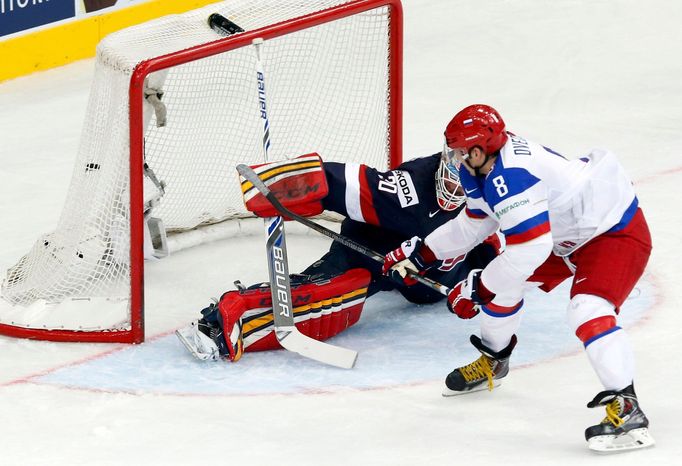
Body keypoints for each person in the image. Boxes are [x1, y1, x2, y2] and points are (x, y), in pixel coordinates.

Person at [382, 104, 654, 452]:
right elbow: (474, 224)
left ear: (479, 150)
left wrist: (477, 289)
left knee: (587, 310)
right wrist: (422, 254)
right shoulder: (480, 166)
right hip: (562, 233)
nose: (453, 158)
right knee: (503, 286)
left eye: (459, 151)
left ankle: (628, 409)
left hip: (611, 231)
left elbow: (529, 251)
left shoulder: (512, 176)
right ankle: (495, 361)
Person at [177, 152, 500, 362]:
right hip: (375, 248)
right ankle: (225, 322)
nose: (457, 191)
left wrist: (489, 279)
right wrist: (279, 185)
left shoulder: (501, 192)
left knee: (439, 289)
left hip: (431, 275)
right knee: (332, 293)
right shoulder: (410, 189)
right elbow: (341, 182)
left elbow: (514, 241)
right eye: (453, 179)